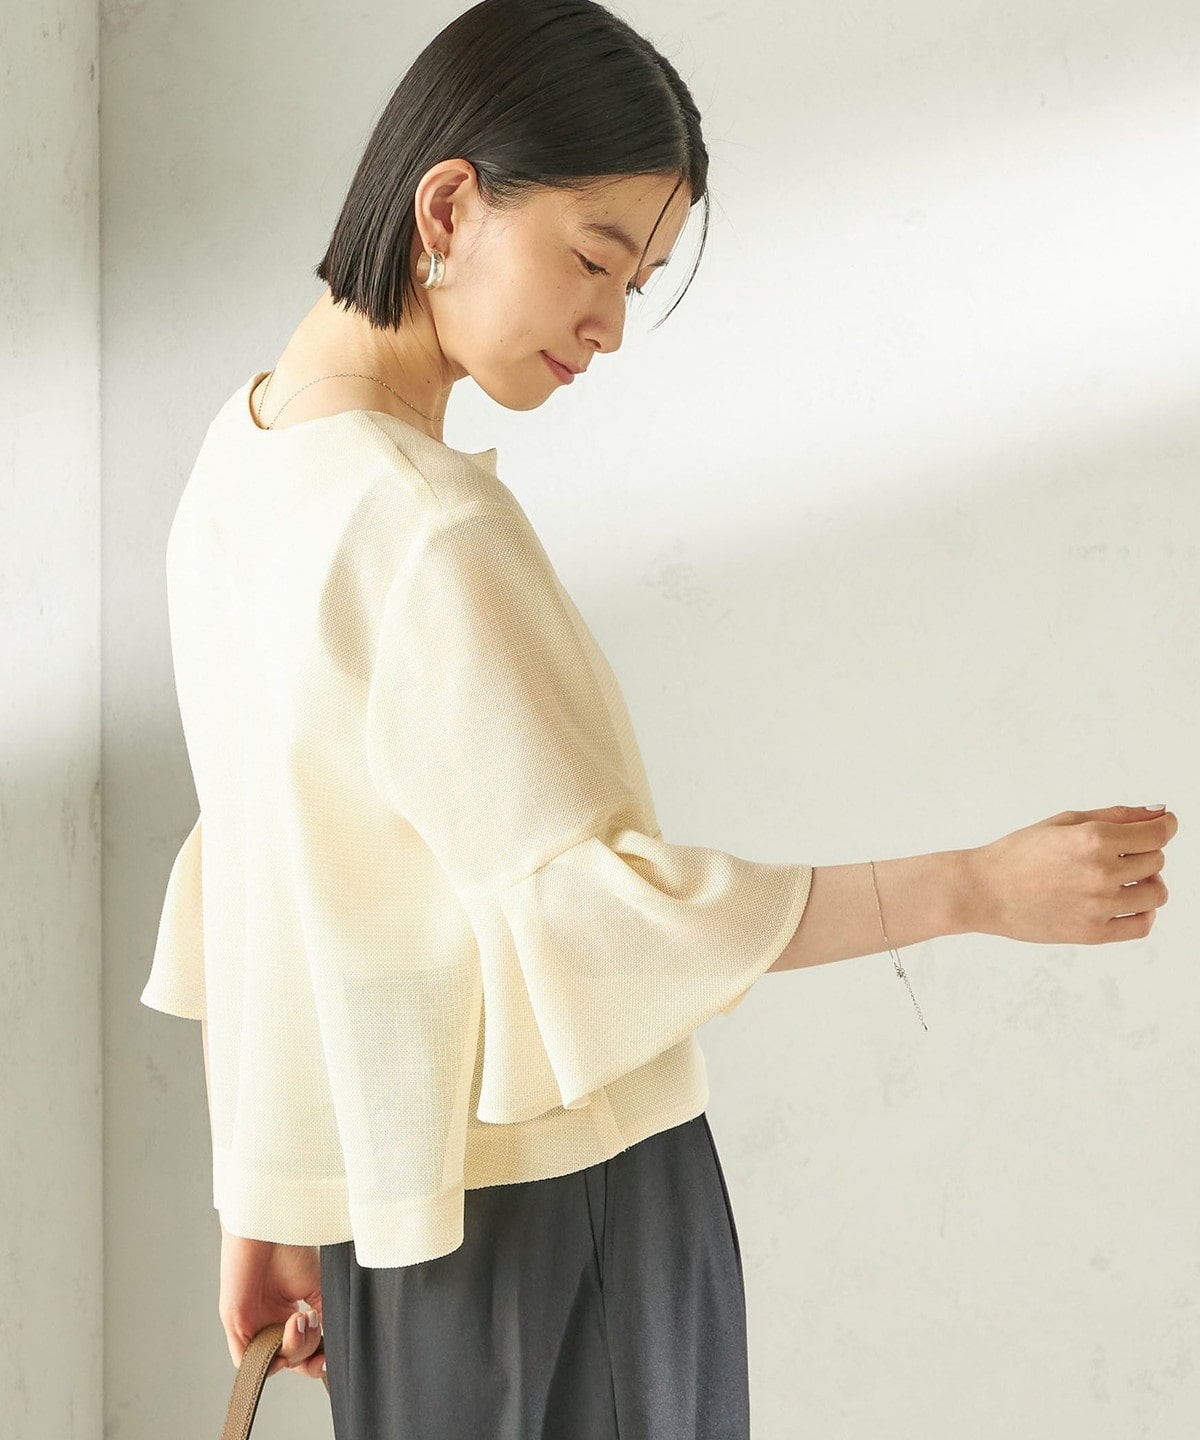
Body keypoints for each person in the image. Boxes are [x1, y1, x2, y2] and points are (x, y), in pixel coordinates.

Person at [139, 2, 1178, 1435]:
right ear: (449, 205)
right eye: (594, 258)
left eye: (639, 280)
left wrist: (262, 1194)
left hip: (392, 1226)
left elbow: (272, 873)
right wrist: (978, 886)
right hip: (560, 1225)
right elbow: (602, 920)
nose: (613, 327)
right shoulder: (424, 524)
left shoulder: (242, 457)